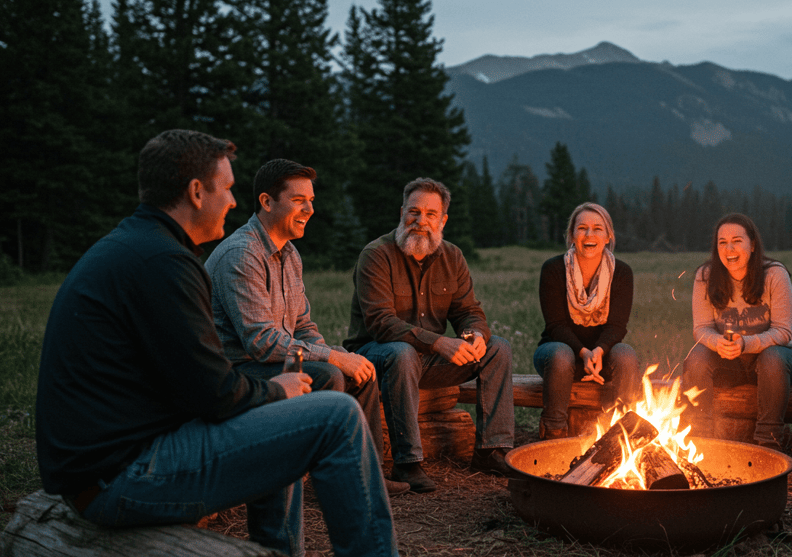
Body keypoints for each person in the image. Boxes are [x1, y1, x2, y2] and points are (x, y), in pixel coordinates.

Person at [35, 130, 397, 557]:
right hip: (123, 476)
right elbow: (214, 393)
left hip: (101, 470)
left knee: (282, 413)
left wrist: (273, 395)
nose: (232, 201)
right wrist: (275, 391)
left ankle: (279, 549)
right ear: (195, 192)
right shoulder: (165, 262)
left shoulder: (138, 247)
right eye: (226, 188)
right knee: (336, 416)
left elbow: (191, 383)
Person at [205, 158, 409, 497]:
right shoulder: (242, 255)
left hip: (270, 361)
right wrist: (333, 358)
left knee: (361, 371)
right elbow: (261, 342)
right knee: (328, 374)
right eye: (299, 200)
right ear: (267, 201)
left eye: (311, 200)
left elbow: (303, 326)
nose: (310, 209)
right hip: (236, 370)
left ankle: (365, 474)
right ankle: (328, 478)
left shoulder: (289, 254)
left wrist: (338, 355)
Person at [343, 177, 514, 493]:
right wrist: (439, 342)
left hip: (428, 361)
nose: (421, 221)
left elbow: (468, 311)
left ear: (442, 220)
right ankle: (407, 463)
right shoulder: (376, 255)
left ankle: (491, 450)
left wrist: (474, 334)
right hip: (375, 357)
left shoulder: (453, 256)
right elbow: (381, 323)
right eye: (414, 212)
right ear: (402, 213)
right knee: (402, 352)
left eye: (430, 214)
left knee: (497, 348)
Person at [681, 213, 792, 451]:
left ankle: (769, 440)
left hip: (776, 363)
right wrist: (718, 343)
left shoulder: (774, 274)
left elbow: (783, 332)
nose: (729, 249)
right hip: (729, 362)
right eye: (722, 242)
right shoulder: (706, 276)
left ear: (753, 244)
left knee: (773, 358)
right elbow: (701, 329)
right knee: (696, 357)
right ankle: (701, 439)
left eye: (737, 241)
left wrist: (745, 344)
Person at [533, 202, 642, 439]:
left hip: (603, 356)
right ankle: (554, 431)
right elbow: (555, 326)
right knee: (561, 354)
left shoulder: (622, 272)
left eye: (597, 229)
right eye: (582, 228)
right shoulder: (553, 269)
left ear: (608, 236)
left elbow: (617, 326)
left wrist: (599, 351)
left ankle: (624, 434)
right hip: (559, 356)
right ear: (572, 235)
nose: (589, 234)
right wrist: (584, 353)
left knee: (625, 355)